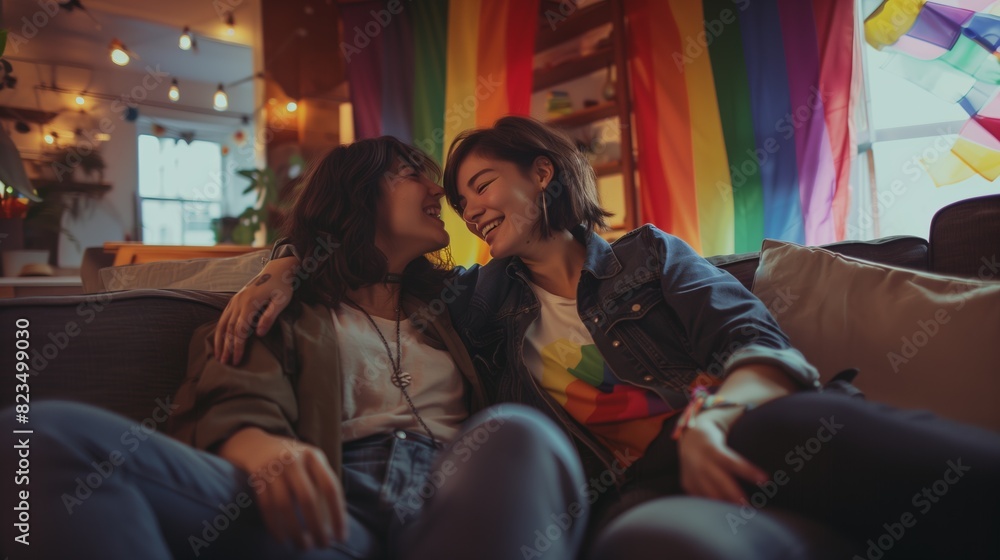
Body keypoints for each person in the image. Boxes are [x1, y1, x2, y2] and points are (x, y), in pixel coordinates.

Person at [217, 118, 1000, 559]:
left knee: (818, 434)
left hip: (744, 424)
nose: (469, 210)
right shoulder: (475, 305)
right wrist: (283, 265)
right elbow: (359, 277)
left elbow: (754, 340)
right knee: (656, 546)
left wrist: (717, 417)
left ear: (544, 173)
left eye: (482, 185)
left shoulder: (649, 256)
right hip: (634, 494)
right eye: (458, 203)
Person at [0, 136, 588, 560]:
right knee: (37, 436)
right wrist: (257, 444)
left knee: (518, 432)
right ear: (359, 194)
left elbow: (551, 257)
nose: (439, 188)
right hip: (328, 507)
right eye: (411, 171)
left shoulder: (461, 302)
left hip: (454, 500)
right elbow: (236, 387)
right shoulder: (285, 308)